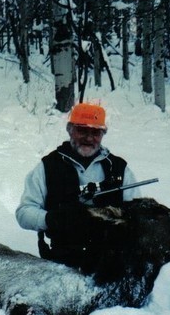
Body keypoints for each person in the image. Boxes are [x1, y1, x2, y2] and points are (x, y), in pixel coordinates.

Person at [15, 102, 139, 272]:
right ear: (69, 129)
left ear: (103, 134)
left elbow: (138, 219)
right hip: (61, 262)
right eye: (82, 130)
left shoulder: (119, 169)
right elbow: (24, 213)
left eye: (95, 132)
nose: (89, 138)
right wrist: (51, 219)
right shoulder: (48, 167)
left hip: (112, 262)